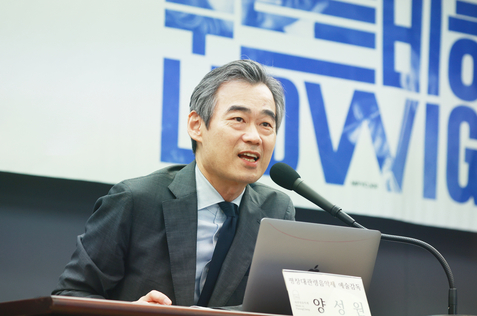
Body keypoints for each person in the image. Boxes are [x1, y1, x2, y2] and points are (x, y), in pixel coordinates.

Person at [52, 59, 295, 307]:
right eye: (238, 119)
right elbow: (69, 295)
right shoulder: (135, 200)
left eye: (266, 124)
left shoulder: (276, 212)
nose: (254, 137)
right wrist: (128, 313)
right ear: (196, 126)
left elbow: (278, 305)